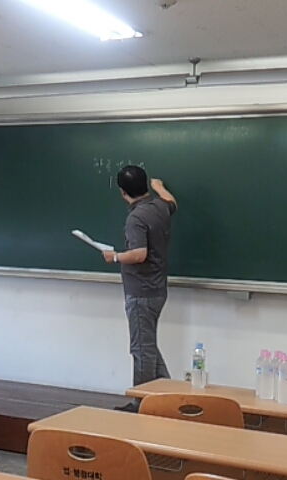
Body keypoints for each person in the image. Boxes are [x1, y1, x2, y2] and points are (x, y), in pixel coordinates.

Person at [102, 165, 177, 413]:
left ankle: (141, 406)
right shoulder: (160, 207)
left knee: (142, 351)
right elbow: (171, 202)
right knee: (147, 347)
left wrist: (114, 257)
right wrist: (159, 187)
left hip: (141, 294)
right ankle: (171, 398)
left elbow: (139, 254)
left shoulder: (136, 218)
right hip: (157, 290)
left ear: (122, 192)